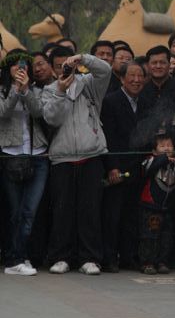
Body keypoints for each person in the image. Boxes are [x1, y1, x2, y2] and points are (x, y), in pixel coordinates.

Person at [41, 51, 111, 274]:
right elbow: (52, 118)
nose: (65, 69)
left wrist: (83, 59)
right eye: (60, 66)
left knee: (90, 210)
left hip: (90, 154)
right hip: (62, 157)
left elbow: (106, 70)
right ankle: (60, 256)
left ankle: (89, 258)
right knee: (63, 211)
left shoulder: (89, 84)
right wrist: (61, 92)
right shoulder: (49, 91)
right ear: (53, 70)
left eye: (68, 65)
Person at [0, 51, 49, 275]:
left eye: (24, 65)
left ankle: (19, 256)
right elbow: (3, 113)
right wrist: (15, 91)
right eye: (15, 65)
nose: (20, 69)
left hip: (37, 154)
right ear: (7, 69)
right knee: (15, 211)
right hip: (11, 154)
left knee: (29, 211)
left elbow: (40, 112)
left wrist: (27, 90)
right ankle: (14, 258)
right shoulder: (2, 91)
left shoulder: (37, 90)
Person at [100, 61, 145, 271]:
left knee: (132, 215)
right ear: (122, 78)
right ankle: (109, 257)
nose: (136, 80)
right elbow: (108, 137)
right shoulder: (110, 102)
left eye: (140, 76)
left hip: (138, 168)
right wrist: (112, 167)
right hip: (117, 167)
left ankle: (129, 256)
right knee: (113, 215)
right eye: (132, 76)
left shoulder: (145, 101)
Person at [138, 130, 175, 275]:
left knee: (166, 236)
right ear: (154, 150)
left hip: (167, 208)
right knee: (150, 235)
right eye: (162, 146)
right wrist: (164, 158)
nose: (167, 148)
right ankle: (148, 262)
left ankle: (162, 261)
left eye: (170, 145)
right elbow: (149, 170)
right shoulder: (150, 160)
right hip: (151, 206)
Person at [136, 45, 175, 122]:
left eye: (162, 62)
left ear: (169, 65)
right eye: (154, 63)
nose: (158, 66)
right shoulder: (141, 91)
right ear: (148, 66)